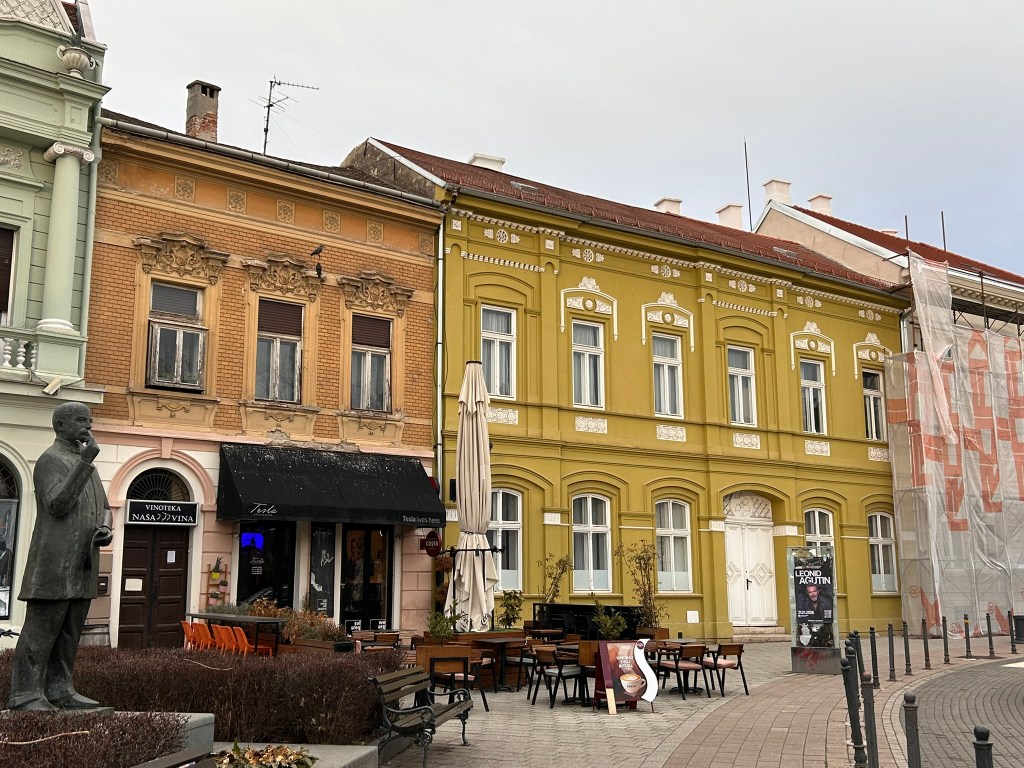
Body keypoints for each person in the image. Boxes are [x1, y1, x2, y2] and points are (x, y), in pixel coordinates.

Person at [7, 402, 113, 711]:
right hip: (53, 564)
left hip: (82, 563)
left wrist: (104, 527)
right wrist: (86, 462)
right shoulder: (50, 460)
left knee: (69, 635)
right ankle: (25, 694)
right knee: (40, 633)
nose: (87, 426)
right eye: (81, 420)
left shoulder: (86, 465)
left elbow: (104, 506)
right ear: (60, 426)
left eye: (89, 420)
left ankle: (60, 688)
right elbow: (56, 504)